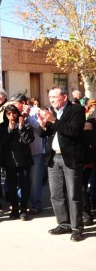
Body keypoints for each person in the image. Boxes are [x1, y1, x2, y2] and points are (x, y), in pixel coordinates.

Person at [38, 85, 86, 242]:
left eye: (54, 97)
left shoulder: (76, 110)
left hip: (70, 157)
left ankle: (77, 228)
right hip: (54, 158)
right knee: (56, 194)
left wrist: (53, 120)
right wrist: (43, 125)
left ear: (64, 97)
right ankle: (63, 223)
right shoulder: (53, 112)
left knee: (73, 195)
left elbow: (73, 131)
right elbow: (45, 134)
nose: (51, 100)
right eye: (50, 97)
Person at [0, 104, 34, 220]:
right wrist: (10, 129)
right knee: (12, 186)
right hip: (9, 161)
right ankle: (14, 208)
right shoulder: (3, 126)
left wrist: (21, 128)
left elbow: (28, 140)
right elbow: (2, 141)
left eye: (14, 113)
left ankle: (23, 208)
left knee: (24, 185)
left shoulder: (25, 124)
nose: (12, 116)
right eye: (9, 114)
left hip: (24, 160)